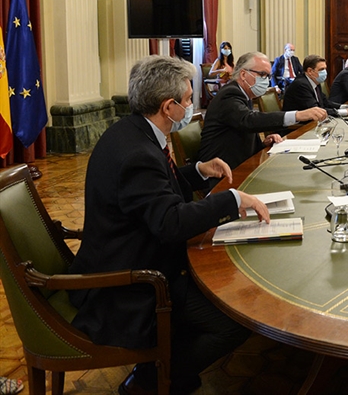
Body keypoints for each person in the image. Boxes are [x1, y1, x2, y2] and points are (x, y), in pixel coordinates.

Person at [68, 55, 272, 395]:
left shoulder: (132, 132)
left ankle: (164, 363)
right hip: (131, 282)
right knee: (234, 322)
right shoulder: (137, 154)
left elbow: (154, 193)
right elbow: (170, 222)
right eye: (189, 100)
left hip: (133, 253)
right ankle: (150, 381)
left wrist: (197, 170)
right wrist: (232, 200)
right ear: (169, 107)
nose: (193, 105)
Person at [199, 52, 327, 171]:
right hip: (220, 170)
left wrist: (262, 144)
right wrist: (298, 115)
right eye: (262, 75)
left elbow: (241, 129)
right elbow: (248, 120)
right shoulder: (230, 94)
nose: (266, 80)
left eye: (268, 76)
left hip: (238, 162)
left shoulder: (245, 95)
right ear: (243, 74)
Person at [283, 55, 348, 118]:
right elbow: (317, 110)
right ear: (310, 71)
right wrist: (346, 112)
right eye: (321, 69)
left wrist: (345, 107)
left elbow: (325, 102)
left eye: (325, 69)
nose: (325, 72)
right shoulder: (301, 85)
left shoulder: (315, 81)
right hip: (299, 127)